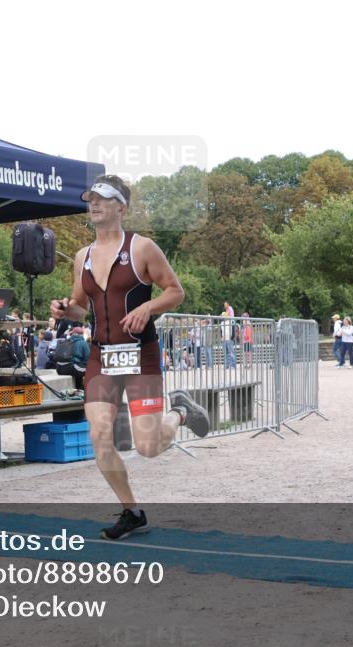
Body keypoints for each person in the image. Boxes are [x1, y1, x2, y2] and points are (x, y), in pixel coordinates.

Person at [51, 174, 210, 540]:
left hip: (141, 354)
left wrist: (149, 308)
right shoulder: (82, 257)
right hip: (101, 356)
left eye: (103, 199)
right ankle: (131, 511)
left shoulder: (142, 248)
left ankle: (180, 412)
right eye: (90, 198)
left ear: (121, 207)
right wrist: (65, 310)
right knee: (99, 434)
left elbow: (176, 291)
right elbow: (79, 306)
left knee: (148, 447)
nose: (94, 204)